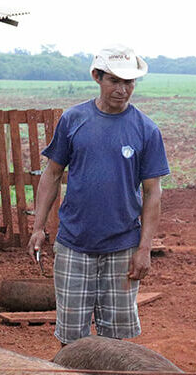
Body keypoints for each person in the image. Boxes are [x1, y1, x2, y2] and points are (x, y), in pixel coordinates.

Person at [28, 45, 169, 345]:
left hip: (123, 248)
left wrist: (145, 248)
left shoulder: (146, 130)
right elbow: (52, 174)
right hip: (74, 245)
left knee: (116, 343)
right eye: (114, 81)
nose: (122, 89)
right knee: (71, 340)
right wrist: (38, 228)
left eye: (129, 83)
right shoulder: (73, 120)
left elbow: (152, 193)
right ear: (97, 77)